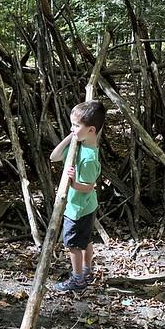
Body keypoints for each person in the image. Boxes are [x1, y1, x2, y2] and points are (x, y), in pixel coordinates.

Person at [49, 101, 105, 293]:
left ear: (91, 130)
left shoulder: (88, 157)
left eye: (76, 125)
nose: (72, 129)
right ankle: (87, 271)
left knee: (73, 245)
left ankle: (78, 279)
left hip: (78, 208)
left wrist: (73, 184)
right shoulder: (78, 144)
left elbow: (89, 186)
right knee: (86, 240)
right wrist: (71, 135)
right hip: (85, 206)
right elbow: (54, 156)